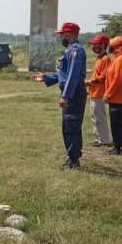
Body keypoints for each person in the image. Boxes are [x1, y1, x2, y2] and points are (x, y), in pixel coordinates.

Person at [33, 22, 87, 170]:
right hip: (71, 93)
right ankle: (71, 158)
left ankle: (74, 160)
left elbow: (73, 75)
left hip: (74, 94)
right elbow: (63, 74)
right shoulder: (70, 50)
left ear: (69, 34)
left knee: (72, 126)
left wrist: (66, 96)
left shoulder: (76, 51)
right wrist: (46, 77)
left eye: (62, 34)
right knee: (68, 126)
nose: (60, 37)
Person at [86, 34, 113, 148]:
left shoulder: (106, 59)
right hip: (93, 92)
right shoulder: (99, 58)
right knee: (94, 117)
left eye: (97, 44)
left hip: (100, 92)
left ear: (104, 45)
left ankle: (105, 140)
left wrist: (90, 82)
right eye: (94, 45)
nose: (95, 47)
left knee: (99, 117)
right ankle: (98, 139)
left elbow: (103, 76)